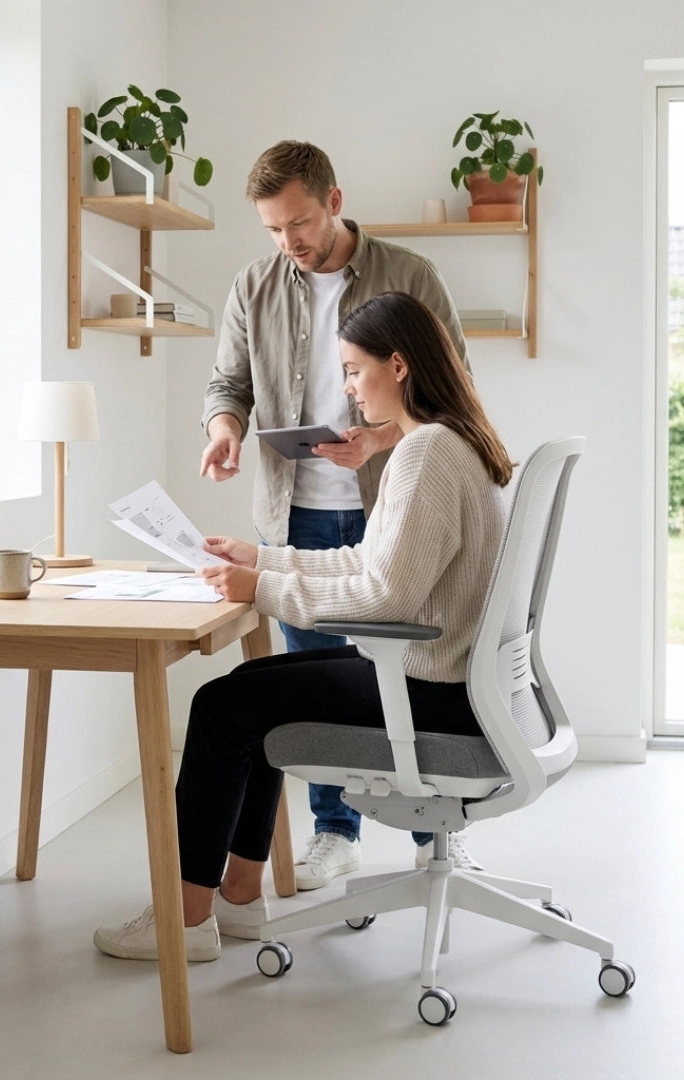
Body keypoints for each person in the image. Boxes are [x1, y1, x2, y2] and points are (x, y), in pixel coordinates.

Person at [94, 291, 513, 962]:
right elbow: (373, 563)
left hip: (428, 693)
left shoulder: (425, 454)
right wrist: (262, 558)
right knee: (250, 688)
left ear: (398, 365)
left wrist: (262, 590)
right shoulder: (446, 443)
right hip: (450, 682)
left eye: (354, 369)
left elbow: (385, 597)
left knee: (223, 705)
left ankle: (185, 918)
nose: (349, 388)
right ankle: (233, 898)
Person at [199, 140, 479, 889]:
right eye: (270, 229)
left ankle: (435, 835)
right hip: (293, 512)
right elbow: (227, 381)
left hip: (392, 501)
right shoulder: (255, 285)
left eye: (297, 222)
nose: (287, 241)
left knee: (406, 659)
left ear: (333, 201)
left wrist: (382, 438)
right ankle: (333, 832)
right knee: (311, 677)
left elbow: (451, 391)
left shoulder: (409, 277)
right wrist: (224, 427)